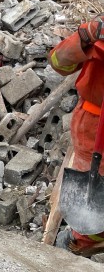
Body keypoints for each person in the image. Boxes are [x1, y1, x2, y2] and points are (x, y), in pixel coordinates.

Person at [50, 16, 104, 253]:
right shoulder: (96, 31)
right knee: (94, 189)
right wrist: (86, 37)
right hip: (94, 125)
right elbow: (59, 63)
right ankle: (85, 240)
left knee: (93, 192)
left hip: (94, 125)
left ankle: (85, 240)